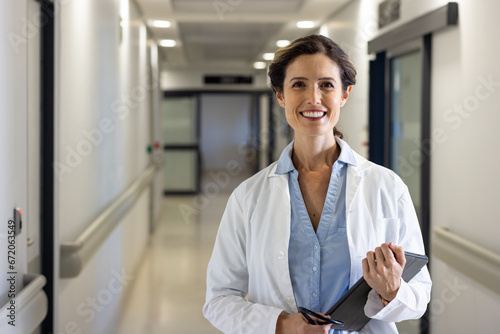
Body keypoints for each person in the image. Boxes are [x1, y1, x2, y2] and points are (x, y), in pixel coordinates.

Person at [203, 34, 431, 334]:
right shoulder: (249, 196)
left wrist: (393, 289)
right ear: (280, 96)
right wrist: (283, 325)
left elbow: (420, 296)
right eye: (298, 84)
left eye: (326, 85)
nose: (313, 98)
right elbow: (219, 299)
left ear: (344, 95)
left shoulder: (386, 186)